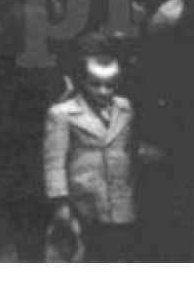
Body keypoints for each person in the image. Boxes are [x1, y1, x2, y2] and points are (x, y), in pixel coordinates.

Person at [44, 35, 138, 261]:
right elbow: (54, 163)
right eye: (95, 84)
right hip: (84, 200)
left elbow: (129, 149)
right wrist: (60, 203)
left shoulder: (126, 109)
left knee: (118, 254)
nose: (103, 91)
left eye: (110, 85)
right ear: (82, 81)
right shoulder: (62, 113)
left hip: (120, 196)